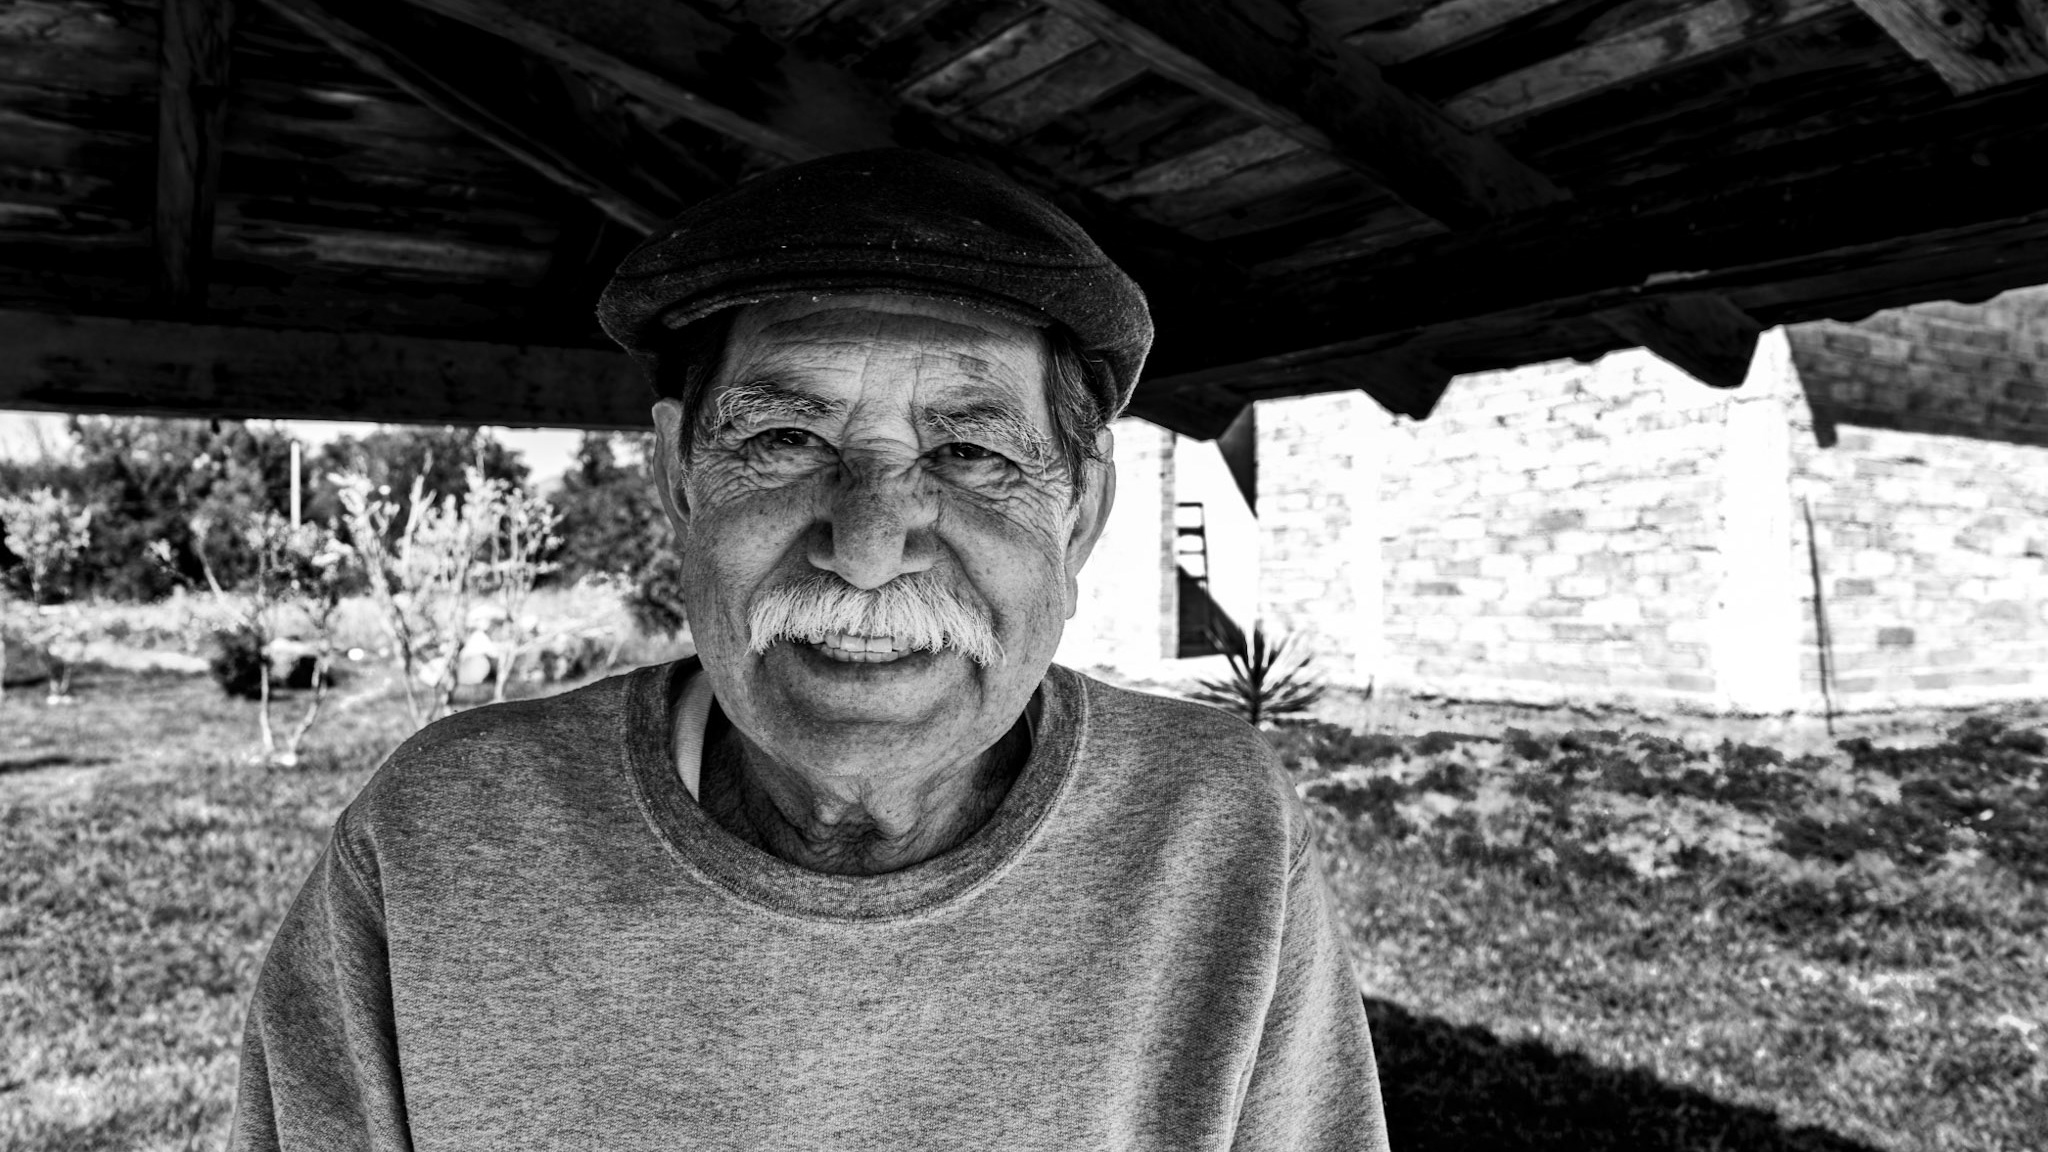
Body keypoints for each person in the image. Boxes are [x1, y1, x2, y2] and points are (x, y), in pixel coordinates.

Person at [230, 148, 1388, 1150]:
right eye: (785, 438)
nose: (868, 547)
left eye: (971, 454)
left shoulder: (1218, 836)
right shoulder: (438, 846)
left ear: (1078, 515)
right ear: (680, 481)